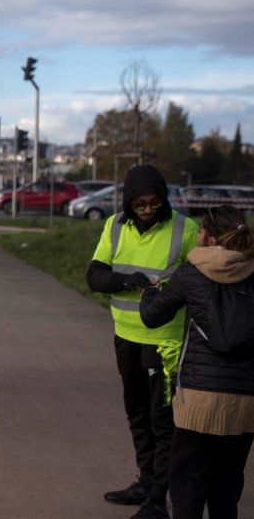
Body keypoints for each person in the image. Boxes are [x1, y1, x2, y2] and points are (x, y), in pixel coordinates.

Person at [86, 164, 198, 519]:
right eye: (139, 204)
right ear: (128, 202)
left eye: (154, 203)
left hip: (164, 343)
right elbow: (95, 275)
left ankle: (158, 499)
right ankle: (146, 481)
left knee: (162, 420)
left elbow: (200, 283)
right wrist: (126, 280)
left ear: (164, 200)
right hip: (125, 336)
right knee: (136, 413)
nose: (147, 210)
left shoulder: (186, 229)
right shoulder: (114, 225)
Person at [140, 206, 254, 519]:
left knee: (187, 482)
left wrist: (149, 294)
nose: (197, 237)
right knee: (228, 484)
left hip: (198, 398)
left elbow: (152, 317)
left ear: (212, 237)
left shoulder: (192, 271)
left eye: (201, 232)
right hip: (246, 399)